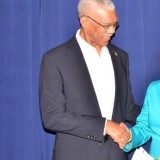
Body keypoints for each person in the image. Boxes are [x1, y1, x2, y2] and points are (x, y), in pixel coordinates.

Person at [39, 0, 141, 160]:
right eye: (106, 25)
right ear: (84, 21)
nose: (112, 31)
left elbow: (128, 109)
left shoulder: (120, 57)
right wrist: (105, 125)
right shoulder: (56, 59)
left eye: (115, 24)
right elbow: (52, 117)